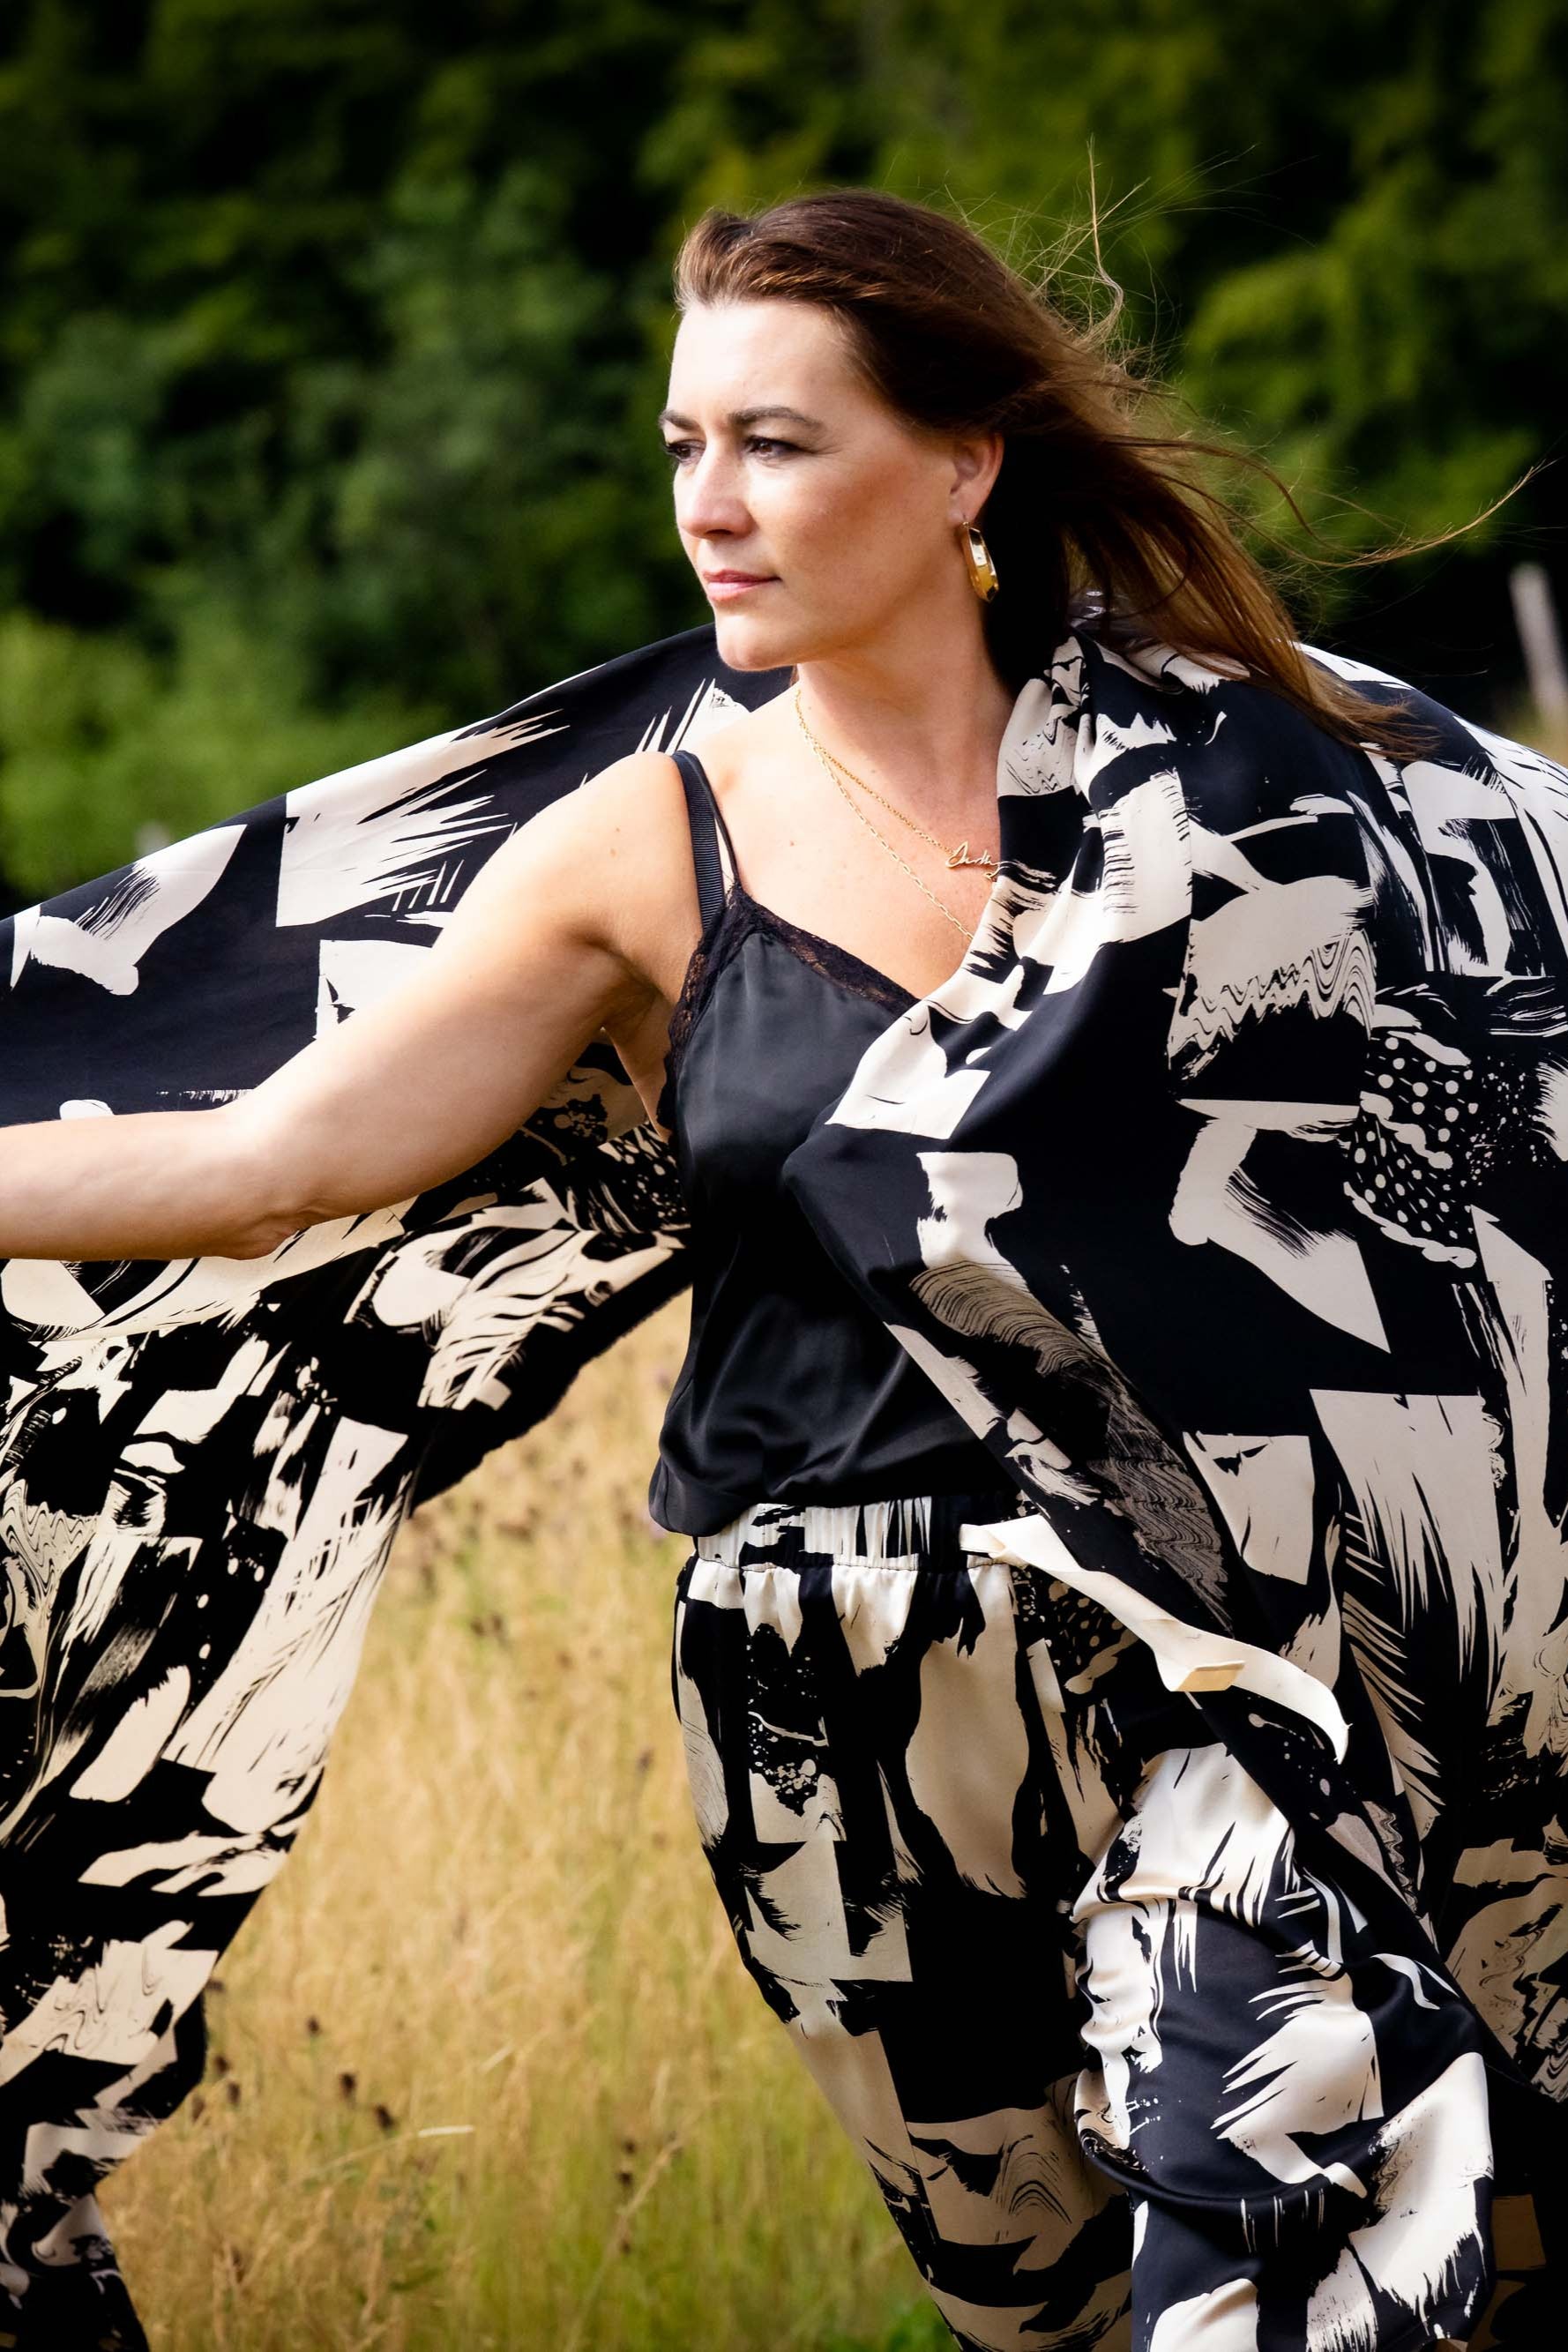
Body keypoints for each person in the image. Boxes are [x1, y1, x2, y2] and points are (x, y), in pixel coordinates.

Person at [0, 187, 1563, 2350]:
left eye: (778, 444)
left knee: (1299, 2250)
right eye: (681, 447)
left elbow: (1489, 1087)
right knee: (1039, 2300)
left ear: (961, 466)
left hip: (1185, 1643)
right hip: (815, 1677)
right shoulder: (649, 842)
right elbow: (284, 1153)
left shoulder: (1230, 775)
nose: (710, 508)